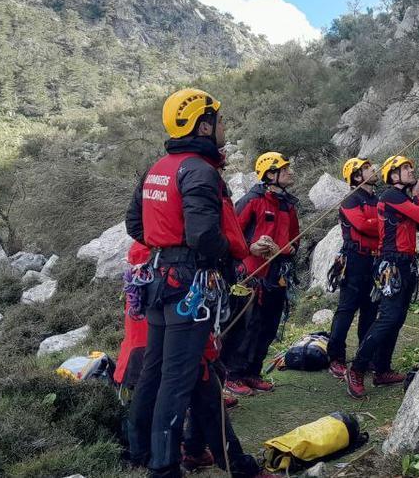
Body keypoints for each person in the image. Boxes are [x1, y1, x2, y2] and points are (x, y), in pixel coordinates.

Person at [124, 88, 252, 478]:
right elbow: (203, 235)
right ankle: (164, 468)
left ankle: (141, 450)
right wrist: (226, 259)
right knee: (177, 381)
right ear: (204, 124)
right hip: (187, 288)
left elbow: (135, 225)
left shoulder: (158, 168)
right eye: (219, 120)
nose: (224, 127)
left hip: (161, 282)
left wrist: (165, 246)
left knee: (158, 371)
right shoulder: (199, 171)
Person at [344, 156, 419, 399]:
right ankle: (358, 368)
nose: (411, 170)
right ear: (393, 176)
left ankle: (382, 369)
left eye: (411, 167)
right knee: (389, 317)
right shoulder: (391, 196)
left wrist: (416, 197)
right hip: (392, 264)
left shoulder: (402, 197)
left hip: (404, 263)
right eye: (405, 168)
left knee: (397, 318)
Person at [221, 151, 300, 395]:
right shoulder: (251, 201)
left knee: (268, 326)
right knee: (245, 326)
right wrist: (251, 248)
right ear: (271, 174)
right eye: (284, 169)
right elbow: (231, 235)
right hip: (250, 274)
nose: (289, 172)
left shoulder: (288, 205)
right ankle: (232, 375)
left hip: (276, 274)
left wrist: (282, 250)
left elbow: (296, 243)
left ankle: (252, 372)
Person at [326, 157, 380, 379]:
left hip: (373, 260)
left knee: (370, 309)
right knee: (347, 309)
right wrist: (384, 222)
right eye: (368, 168)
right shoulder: (350, 200)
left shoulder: (375, 198)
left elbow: (373, 225)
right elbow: (363, 226)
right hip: (355, 259)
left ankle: (363, 356)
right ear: (357, 176)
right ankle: (335, 358)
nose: (373, 170)